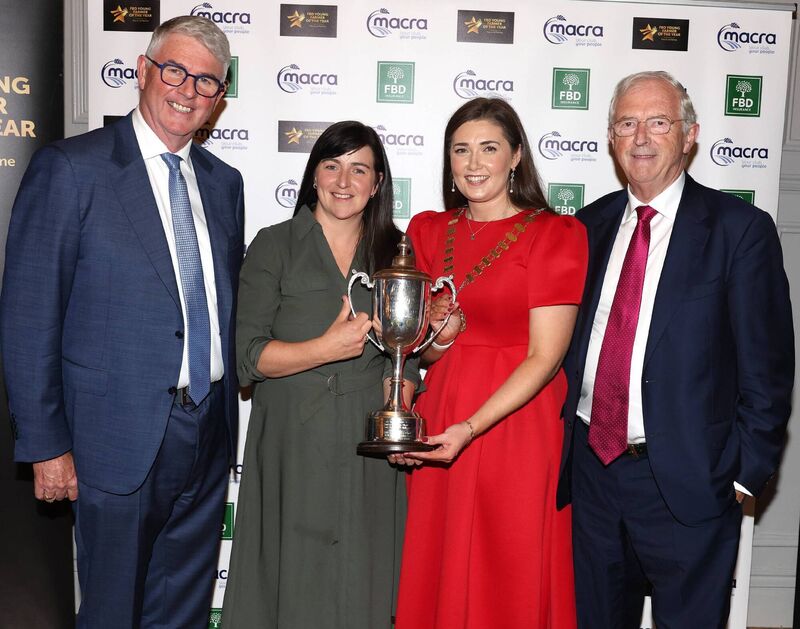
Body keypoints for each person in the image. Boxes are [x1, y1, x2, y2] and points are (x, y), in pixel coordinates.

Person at [0, 16, 244, 628]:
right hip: (111, 439)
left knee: (182, 610)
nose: (187, 90)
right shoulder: (72, 169)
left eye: (207, 82)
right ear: (142, 71)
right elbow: (30, 315)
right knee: (112, 612)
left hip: (207, 430)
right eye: (175, 71)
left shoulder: (225, 184)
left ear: (219, 99)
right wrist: (47, 445)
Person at [557, 71, 794, 628]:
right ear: (611, 139)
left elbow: (768, 370)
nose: (641, 136)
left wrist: (743, 476)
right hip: (592, 480)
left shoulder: (740, 231)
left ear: (689, 134)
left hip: (690, 487)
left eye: (658, 122)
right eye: (626, 123)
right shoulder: (584, 228)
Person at [393, 98, 588, 628]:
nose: (473, 163)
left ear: (516, 157)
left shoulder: (556, 234)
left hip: (517, 421)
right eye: (461, 150)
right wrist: (440, 335)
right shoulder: (429, 230)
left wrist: (471, 427)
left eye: (489, 148)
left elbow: (546, 357)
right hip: (445, 405)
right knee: (442, 558)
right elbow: (423, 351)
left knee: (510, 564)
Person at [221, 121, 418, 629]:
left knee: (363, 580)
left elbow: (409, 355)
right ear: (314, 176)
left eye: (359, 169)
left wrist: (403, 401)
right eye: (332, 165)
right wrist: (324, 349)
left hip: (365, 442)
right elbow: (248, 357)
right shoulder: (274, 244)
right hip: (291, 437)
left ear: (377, 184)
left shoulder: (397, 252)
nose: (344, 180)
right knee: (290, 584)